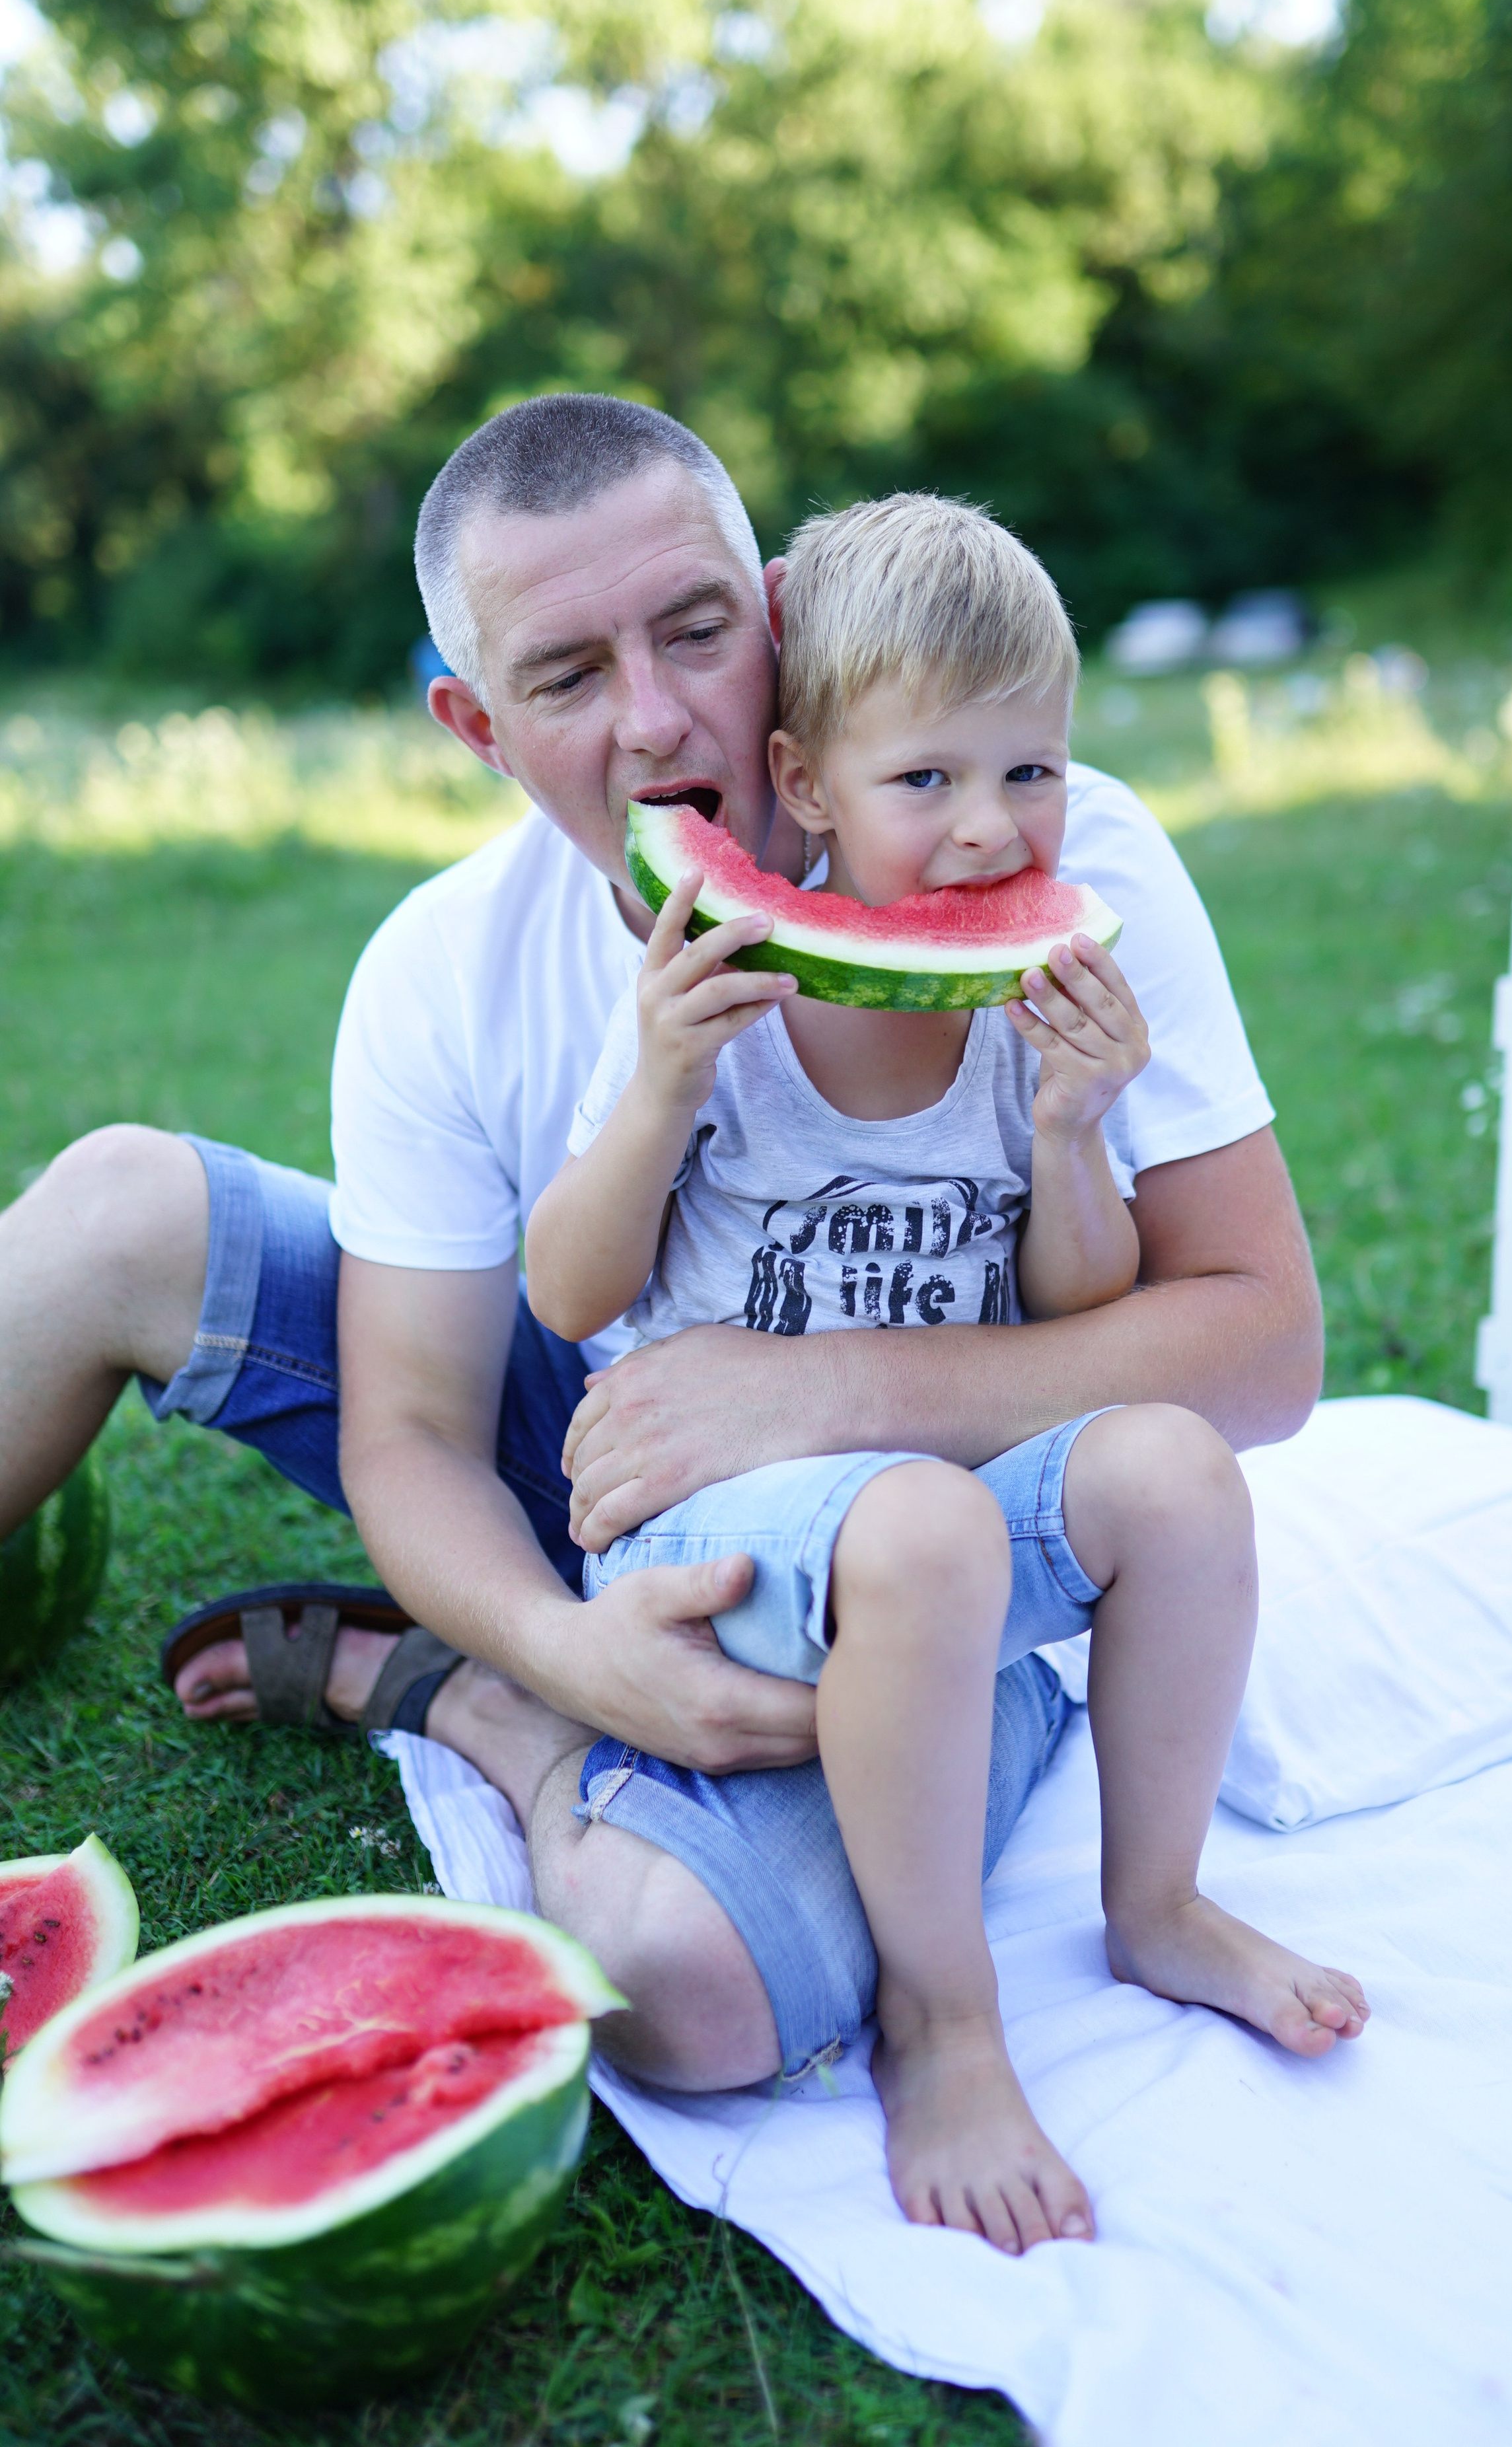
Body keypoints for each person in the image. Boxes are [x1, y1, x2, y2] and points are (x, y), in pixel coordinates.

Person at [0, 396, 1326, 2228]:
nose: (656, 718)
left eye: (696, 629)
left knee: (681, 1988)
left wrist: (820, 1389)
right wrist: (576, 1647)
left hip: (907, 1532)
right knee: (113, 1210)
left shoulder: (1037, 857)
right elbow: (411, 1423)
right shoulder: (445, 970)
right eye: (564, 674)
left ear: (776, 611)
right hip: (607, 1411)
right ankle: (522, 1690)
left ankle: (469, 1706)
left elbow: (1262, 1342)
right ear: (475, 721)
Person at [525, 495, 1366, 2250]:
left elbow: (1080, 1304)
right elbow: (566, 1284)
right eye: (929, 784)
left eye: (1032, 776)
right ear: (804, 785)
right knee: (917, 1531)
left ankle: (1159, 1903)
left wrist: (1072, 1135)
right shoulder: (722, 992)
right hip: (721, 1526)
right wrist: (664, 1087)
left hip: (938, 1501)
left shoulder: (1024, 1007)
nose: (991, 830)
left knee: (1174, 1468)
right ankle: (945, 2015)